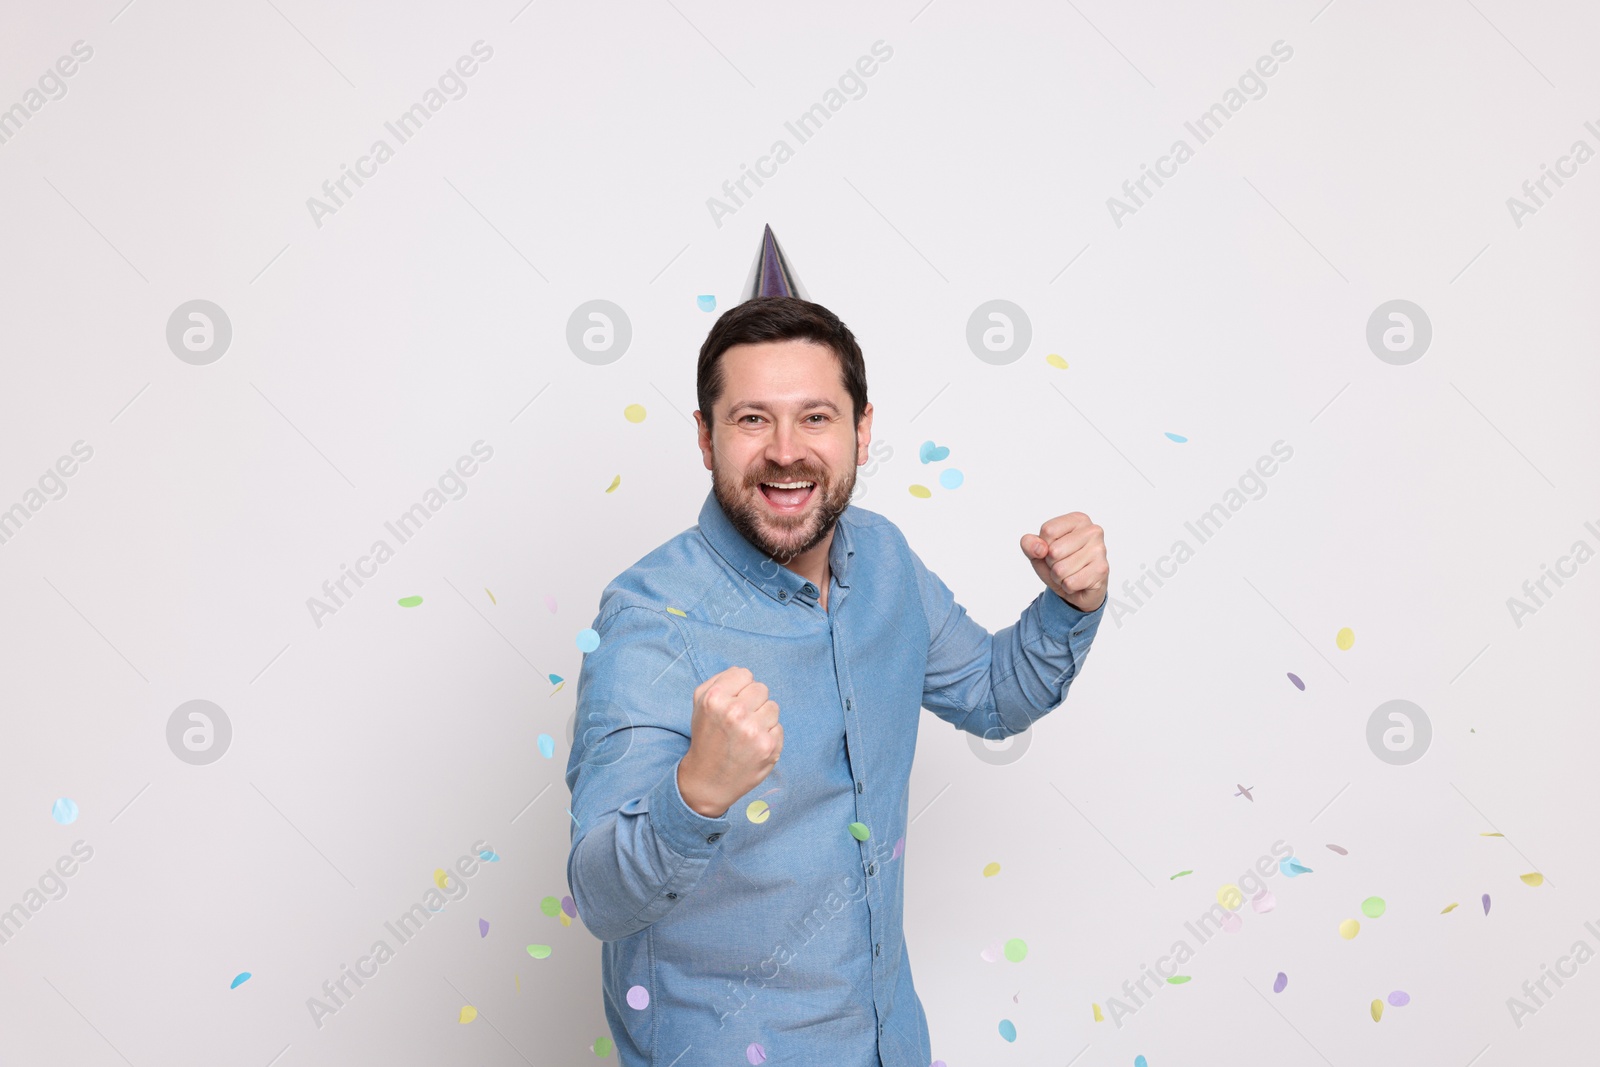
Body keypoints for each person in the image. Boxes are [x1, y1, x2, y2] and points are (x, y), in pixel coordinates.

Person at [565, 226, 1110, 1066]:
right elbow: (599, 896)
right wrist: (695, 792)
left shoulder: (884, 559)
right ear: (707, 438)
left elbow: (994, 695)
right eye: (752, 419)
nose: (787, 451)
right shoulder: (649, 617)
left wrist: (1068, 606)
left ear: (860, 428)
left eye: (814, 417)